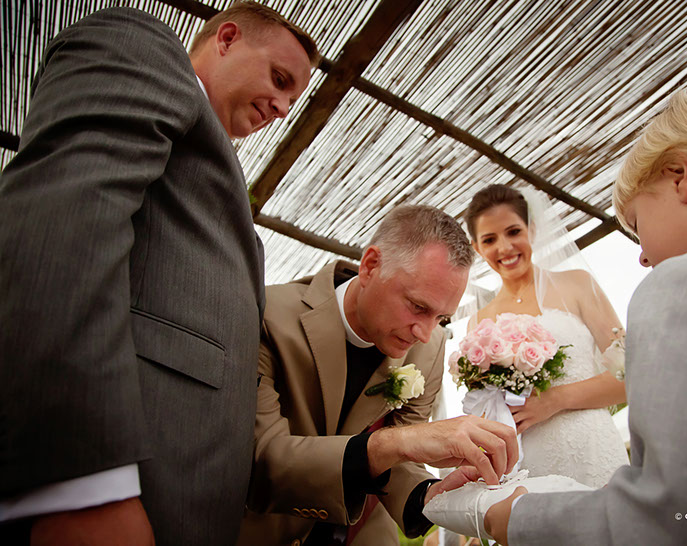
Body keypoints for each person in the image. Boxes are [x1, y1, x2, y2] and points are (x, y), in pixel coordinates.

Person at [0, 3, 318, 545]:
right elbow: (62, 221)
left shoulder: (209, 167)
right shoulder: (144, 49)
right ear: (227, 38)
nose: (282, 107)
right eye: (280, 79)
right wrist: (82, 484)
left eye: (292, 99)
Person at [480, 89, 687, 544]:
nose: (642, 256)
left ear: (681, 176)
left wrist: (518, 519)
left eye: (637, 225)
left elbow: (675, 519)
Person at [239, 205, 519, 546]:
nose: (425, 334)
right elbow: (261, 458)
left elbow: (401, 458)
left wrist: (430, 495)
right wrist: (400, 442)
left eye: (441, 318)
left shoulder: (430, 349)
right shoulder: (265, 316)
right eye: (418, 307)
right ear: (371, 265)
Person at [461, 184, 628, 487]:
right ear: (477, 248)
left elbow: (630, 376)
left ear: (532, 229)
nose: (504, 248)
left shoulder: (578, 285)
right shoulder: (479, 323)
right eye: (490, 239)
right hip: (528, 462)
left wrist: (554, 399)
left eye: (513, 232)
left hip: (592, 448)